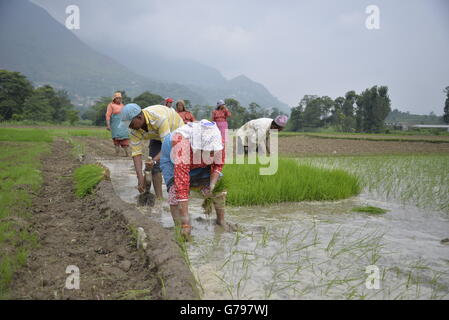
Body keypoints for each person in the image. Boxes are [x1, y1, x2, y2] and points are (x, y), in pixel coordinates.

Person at [160, 120, 234, 239]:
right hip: (172, 158)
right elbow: (182, 185)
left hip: (196, 159)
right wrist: (185, 224)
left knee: (219, 190)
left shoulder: (219, 143)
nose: (212, 154)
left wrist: (212, 185)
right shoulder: (182, 146)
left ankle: (221, 221)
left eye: (213, 152)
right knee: (175, 191)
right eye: (208, 151)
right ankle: (180, 227)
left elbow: (218, 165)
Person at [119, 103, 185, 199]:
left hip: (176, 132)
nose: (130, 127)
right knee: (154, 167)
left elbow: (167, 147)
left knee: (177, 164)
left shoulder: (158, 118)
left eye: (131, 124)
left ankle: (182, 195)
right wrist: (140, 178)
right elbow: (136, 153)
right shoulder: (134, 130)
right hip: (157, 135)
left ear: (140, 117)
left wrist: (154, 161)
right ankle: (160, 199)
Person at [106, 92, 130, 156]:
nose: (119, 100)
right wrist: (108, 125)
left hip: (123, 126)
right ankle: (117, 154)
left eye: (120, 98)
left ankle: (127, 154)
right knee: (116, 141)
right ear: (114, 99)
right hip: (115, 125)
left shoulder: (123, 106)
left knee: (125, 139)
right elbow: (108, 115)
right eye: (117, 98)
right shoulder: (111, 105)